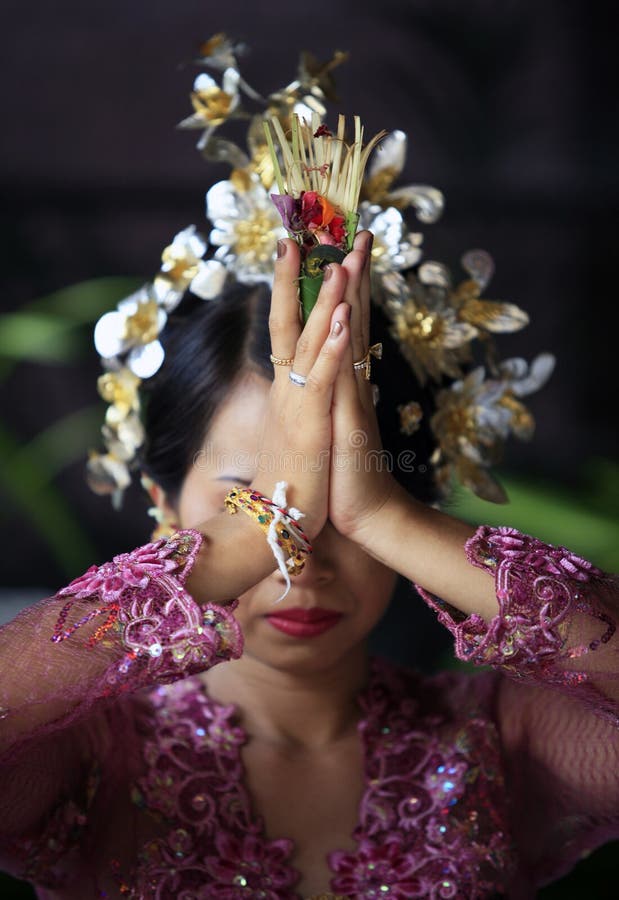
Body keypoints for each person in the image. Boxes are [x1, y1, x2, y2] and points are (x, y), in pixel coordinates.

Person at [0, 231, 617, 900]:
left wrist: (383, 514)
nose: (303, 561)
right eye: (249, 497)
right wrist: (257, 524)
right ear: (164, 504)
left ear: (419, 511)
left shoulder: (506, 743)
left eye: (344, 505)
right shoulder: (85, 756)